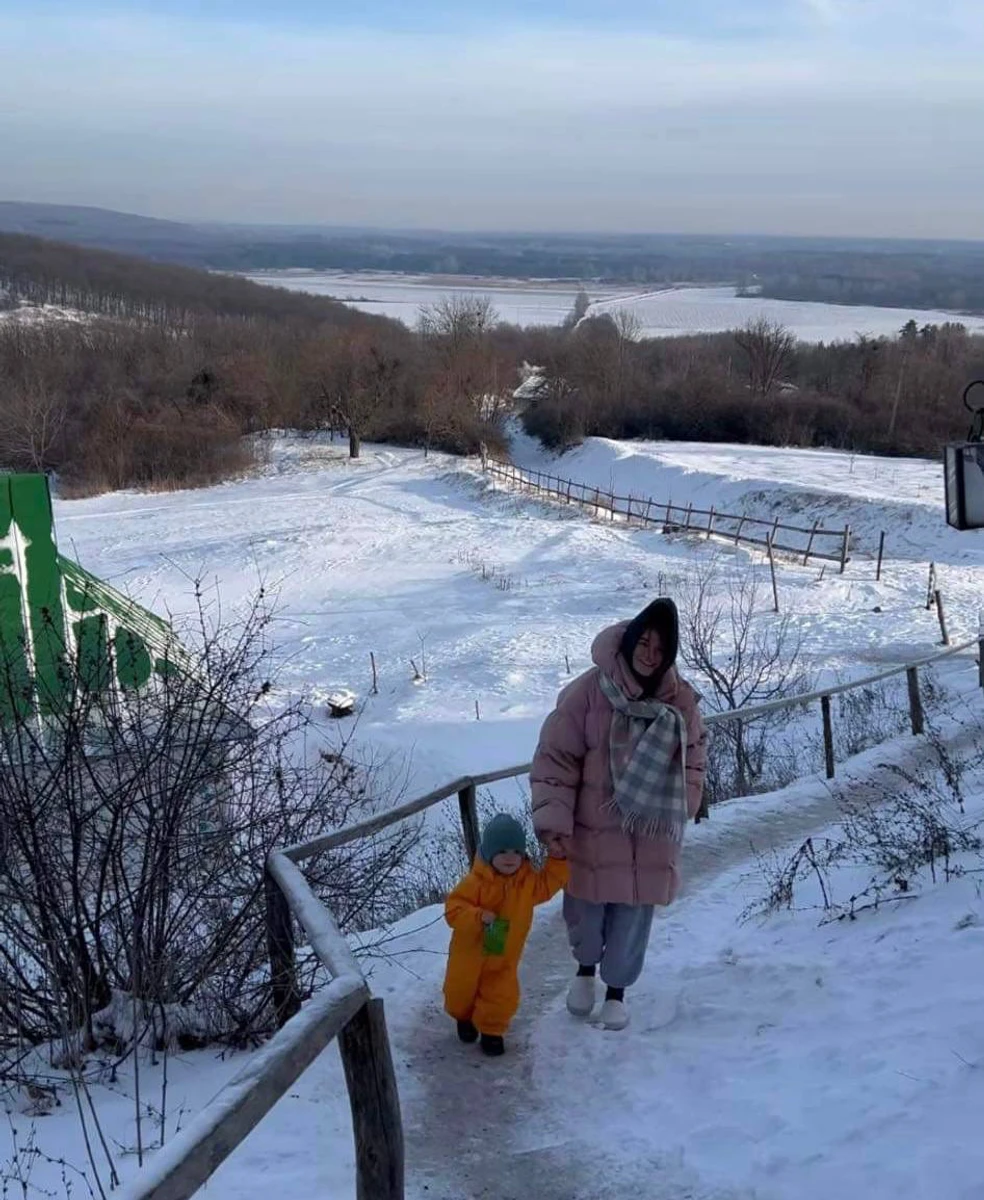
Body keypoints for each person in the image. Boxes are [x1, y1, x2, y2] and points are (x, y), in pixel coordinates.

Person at [531, 598, 707, 1031]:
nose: (650, 654)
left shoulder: (680, 702)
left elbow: (696, 757)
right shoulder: (589, 692)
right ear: (629, 641)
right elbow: (556, 759)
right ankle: (585, 971)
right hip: (593, 829)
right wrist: (554, 823)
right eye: (644, 642)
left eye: (660, 648)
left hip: (650, 833)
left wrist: (682, 801)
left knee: (632, 918)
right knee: (586, 913)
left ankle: (616, 993)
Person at [443, 813, 568, 1057]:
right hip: (470, 952)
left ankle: (492, 1031)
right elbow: (453, 910)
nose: (510, 858)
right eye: (502, 851)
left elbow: (548, 884)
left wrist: (559, 860)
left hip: (504, 952)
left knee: (501, 991)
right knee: (460, 990)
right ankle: (463, 1017)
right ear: (490, 854)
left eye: (515, 851)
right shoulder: (475, 883)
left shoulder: (528, 882)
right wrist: (478, 916)